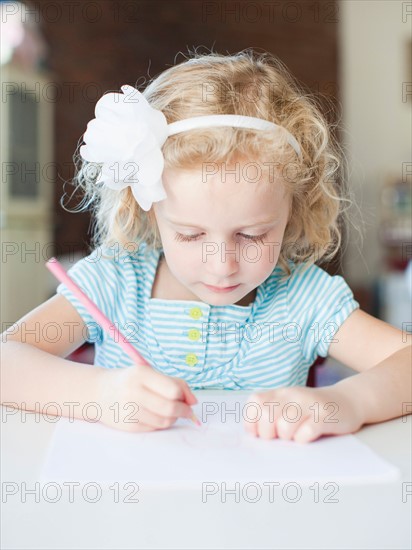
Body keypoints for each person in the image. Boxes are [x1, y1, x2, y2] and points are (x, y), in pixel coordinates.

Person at [2, 49, 410, 443]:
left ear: (294, 210)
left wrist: (346, 401)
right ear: (148, 212)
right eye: (191, 235)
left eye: (251, 236)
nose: (222, 266)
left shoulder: (304, 298)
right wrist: (99, 395)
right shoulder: (114, 281)